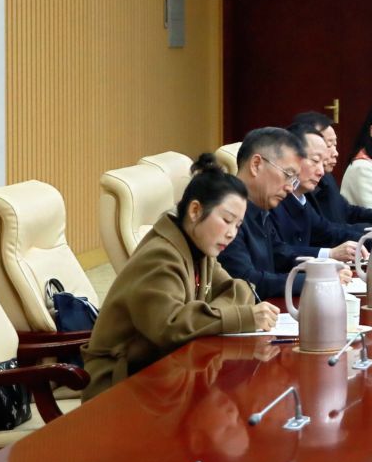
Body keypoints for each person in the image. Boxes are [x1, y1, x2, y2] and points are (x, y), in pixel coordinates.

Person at [81, 158, 277, 400]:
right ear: (195, 211)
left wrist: (206, 317)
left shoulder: (201, 248)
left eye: (237, 225)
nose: (231, 234)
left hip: (165, 369)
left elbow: (240, 290)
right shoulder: (160, 256)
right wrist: (240, 317)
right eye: (226, 220)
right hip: (119, 382)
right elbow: (171, 327)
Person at [217, 126, 362, 303]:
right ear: (256, 165)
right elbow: (247, 281)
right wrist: (314, 281)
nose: (289, 187)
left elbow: (281, 254)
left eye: (293, 179)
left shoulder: (258, 207)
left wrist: (322, 268)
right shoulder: (225, 210)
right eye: (288, 175)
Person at [274, 119, 372, 249]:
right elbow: (279, 252)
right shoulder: (271, 200)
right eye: (315, 161)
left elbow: (328, 231)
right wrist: (330, 253)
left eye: (323, 164)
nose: (321, 172)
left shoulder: (302, 199)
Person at [292, 109, 372, 228]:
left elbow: (347, 211)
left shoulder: (326, 177)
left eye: (335, 145)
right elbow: (326, 232)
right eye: (329, 145)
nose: (335, 153)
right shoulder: (299, 189)